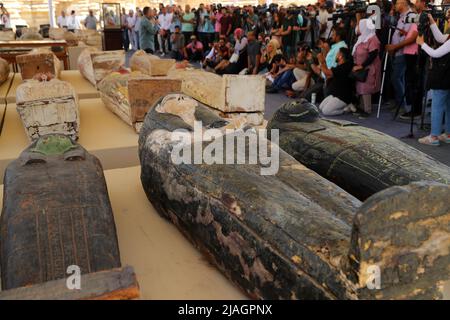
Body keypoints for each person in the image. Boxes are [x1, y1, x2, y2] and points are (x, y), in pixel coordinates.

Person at [416, 14, 450, 146]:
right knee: (448, 106)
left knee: (437, 106)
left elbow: (436, 53)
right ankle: (448, 134)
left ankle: (434, 136)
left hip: (443, 77)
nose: (448, 19)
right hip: (448, 77)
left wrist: (422, 44)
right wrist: (431, 22)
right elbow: (441, 38)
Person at [385, 0, 419, 119]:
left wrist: (394, 46)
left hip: (405, 52)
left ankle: (403, 104)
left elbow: (412, 37)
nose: (395, 5)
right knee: (400, 78)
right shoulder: (401, 17)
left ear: (404, 3)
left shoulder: (412, 16)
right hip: (398, 52)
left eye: (398, 3)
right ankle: (401, 103)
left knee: (396, 78)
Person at [352, 18, 381, 116]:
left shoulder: (373, 38)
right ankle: (362, 107)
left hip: (369, 67)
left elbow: (373, 55)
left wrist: (362, 65)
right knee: (360, 86)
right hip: (360, 67)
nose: (358, 28)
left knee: (366, 87)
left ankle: (367, 110)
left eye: (360, 26)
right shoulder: (362, 37)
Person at [317, 47, 354, 115]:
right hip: (335, 95)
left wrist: (321, 62)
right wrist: (323, 62)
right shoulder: (339, 66)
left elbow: (327, 73)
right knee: (321, 107)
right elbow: (328, 75)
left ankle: (346, 109)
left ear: (340, 56)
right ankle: (343, 106)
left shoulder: (345, 66)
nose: (335, 56)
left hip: (343, 97)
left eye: (337, 54)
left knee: (326, 111)